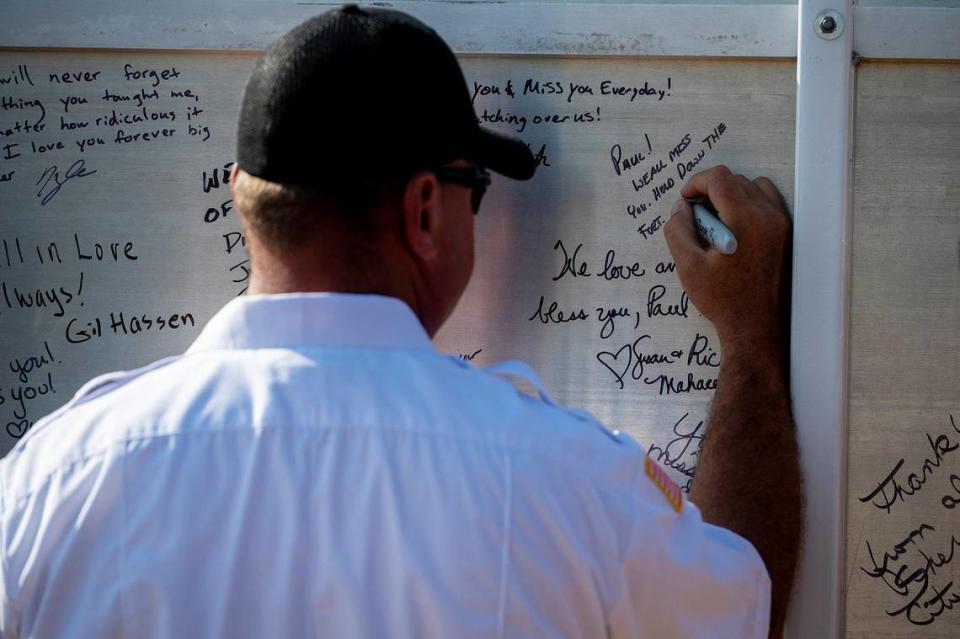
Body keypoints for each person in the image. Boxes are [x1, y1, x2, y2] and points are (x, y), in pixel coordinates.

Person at [0, 5, 801, 638]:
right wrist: (753, 346)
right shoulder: (563, 479)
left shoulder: (51, 481)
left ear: (242, 190)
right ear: (424, 211)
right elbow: (739, 608)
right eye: (474, 191)